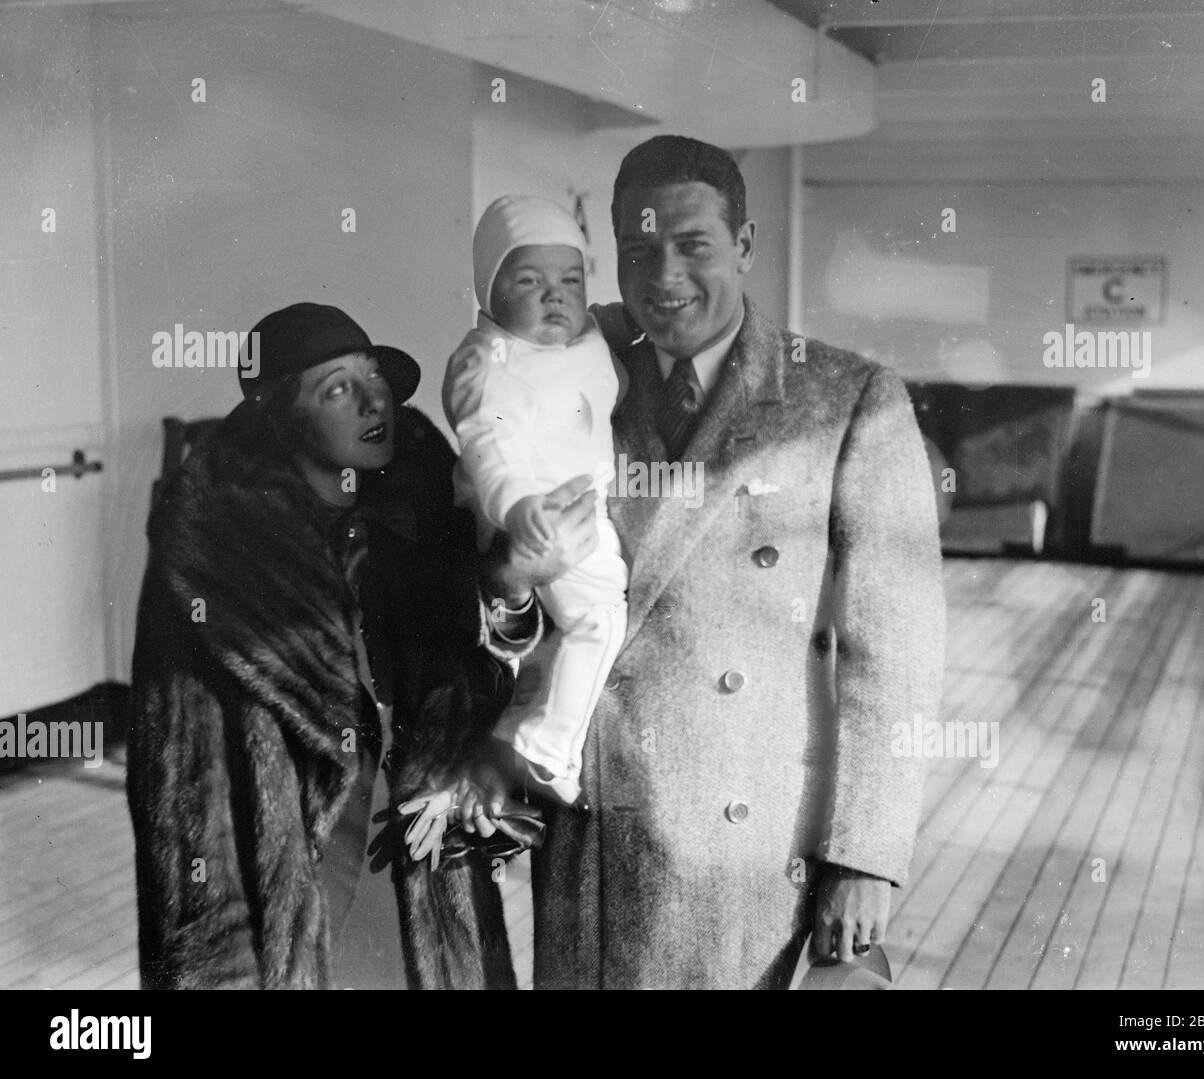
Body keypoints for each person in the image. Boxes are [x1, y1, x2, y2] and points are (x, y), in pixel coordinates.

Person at [523, 136, 947, 989]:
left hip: (749, 854)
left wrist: (865, 855)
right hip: (594, 833)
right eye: (638, 250)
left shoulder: (844, 398)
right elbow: (527, 585)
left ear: (745, 247)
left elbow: (896, 653)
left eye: (694, 246)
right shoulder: (569, 383)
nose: (664, 275)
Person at [127, 302, 595, 989]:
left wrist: (509, 584)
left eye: (373, 375)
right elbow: (183, 809)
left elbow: (474, 699)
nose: (375, 399)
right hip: (298, 910)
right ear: (280, 418)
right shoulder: (210, 565)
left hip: (426, 891)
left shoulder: (418, 518)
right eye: (337, 387)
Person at [444, 195, 628, 806]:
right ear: (489, 293)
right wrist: (519, 508)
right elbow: (488, 444)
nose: (556, 296)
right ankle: (548, 750)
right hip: (539, 520)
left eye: (571, 280)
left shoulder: (585, 336)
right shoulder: (489, 362)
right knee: (597, 620)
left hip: (579, 509)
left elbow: (601, 381)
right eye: (530, 281)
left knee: (593, 622)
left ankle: (536, 738)